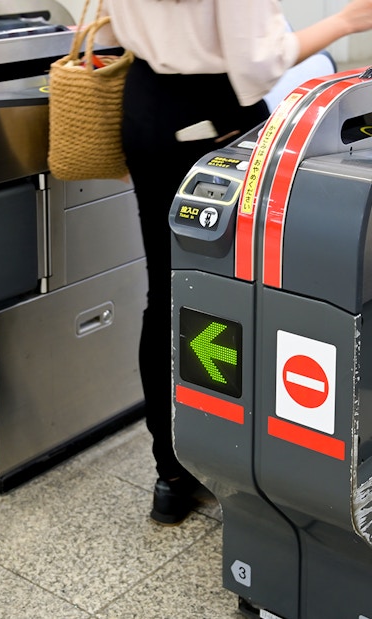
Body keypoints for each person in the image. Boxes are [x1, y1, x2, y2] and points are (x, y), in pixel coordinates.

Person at [97, 0, 372, 526]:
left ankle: (172, 476)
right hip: (210, 123)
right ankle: (246, 461)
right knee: (242, 299)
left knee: (167, 295)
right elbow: (258, 62)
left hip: (146, 108)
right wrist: (347, 21)